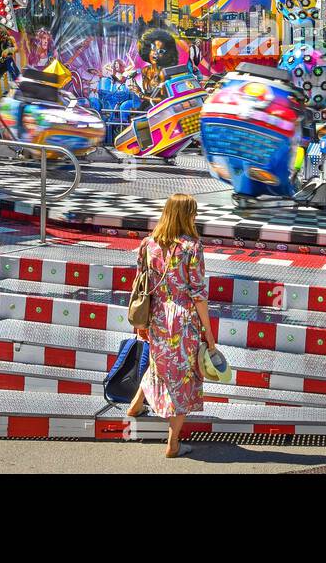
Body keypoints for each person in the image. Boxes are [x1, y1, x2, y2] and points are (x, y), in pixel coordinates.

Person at [126, 193, 218, 458]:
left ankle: (135, 406)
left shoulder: (148, 244)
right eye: (194, 212)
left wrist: (140, 322)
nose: (196, 217)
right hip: (183, 319)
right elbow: (199, 294)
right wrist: (209, 336)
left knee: (160, 363)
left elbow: (140, 285)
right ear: (187, 215)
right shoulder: (192, 247)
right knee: (183, 378)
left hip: (156, 315)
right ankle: (173, 444)